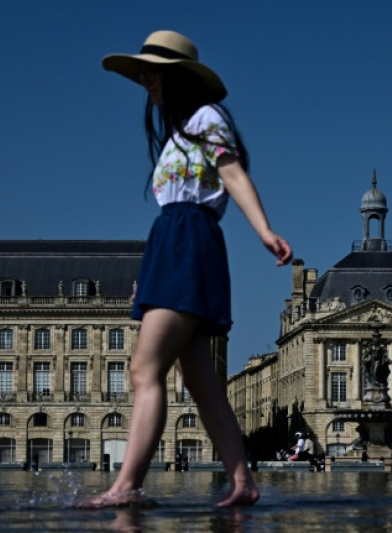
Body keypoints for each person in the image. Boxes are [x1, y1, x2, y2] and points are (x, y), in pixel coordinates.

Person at [78, 30, 292, 508]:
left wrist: (264, 231)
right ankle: (243, 481)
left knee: (144, 369)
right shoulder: (180, 132)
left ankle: (126, 485)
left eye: (152, 72)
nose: (146, 82)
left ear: (177, 75)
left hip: (188, 241)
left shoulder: (206, 118)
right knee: (198, 379)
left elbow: (233, 172)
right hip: (172, 240)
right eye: (143, 74)